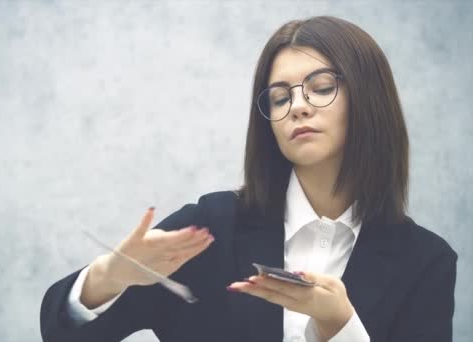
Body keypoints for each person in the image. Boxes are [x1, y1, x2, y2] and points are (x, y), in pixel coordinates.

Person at [40, 15, 457, 342]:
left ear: (369, 97)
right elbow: (64, 335)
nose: (298, 107)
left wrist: (341, 326)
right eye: (280, 97)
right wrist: (106, 278)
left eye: (321, 86)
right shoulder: (211, 228)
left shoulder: (426, 262)